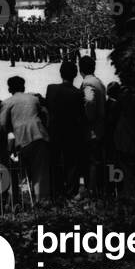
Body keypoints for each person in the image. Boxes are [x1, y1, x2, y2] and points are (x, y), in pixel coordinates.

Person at [0, 76, 51, 203]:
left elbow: (2, 123)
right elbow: (45, 114)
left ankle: (25, 201)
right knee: (40, 171)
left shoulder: (7, 102)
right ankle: (41, 201)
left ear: (9, 88)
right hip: (39, 135)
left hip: (21, 139)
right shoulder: (34, 99)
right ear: (23, 87)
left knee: (22, 172)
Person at [45, 61, 86, 197]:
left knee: (54, 162)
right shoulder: (78, 93)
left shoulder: (51, 89)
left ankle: (56, 192)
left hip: (54, 131)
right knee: (71, 164)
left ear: (60, 73)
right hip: (72, 133)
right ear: (75, 75)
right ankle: (70, 192)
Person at [78, 54, 106, 189]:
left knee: (92, 163)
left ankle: (92, 193)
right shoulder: (99, 81)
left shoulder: (87, 83)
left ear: (80, 70)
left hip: (91, 130)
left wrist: (88, 117)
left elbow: (89, 100)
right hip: (100, 128)